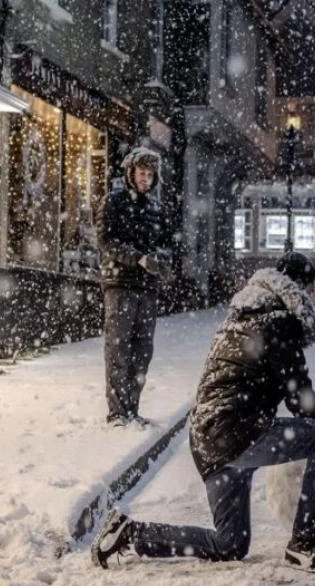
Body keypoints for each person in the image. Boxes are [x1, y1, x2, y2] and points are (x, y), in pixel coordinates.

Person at [92, 252, 315, 574]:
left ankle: (131, 534)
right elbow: (299, 395)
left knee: (230, 545)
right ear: (296, 288)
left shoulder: (239, 319)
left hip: (207, 439)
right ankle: (303, 545)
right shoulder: (277, 322)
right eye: (309, 292)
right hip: (237, 433)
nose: (311, 300)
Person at [96, 147, 176, 426]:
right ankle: (118, 411)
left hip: (147, 288)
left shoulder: (157, 209)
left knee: (143, 351)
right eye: (142, 173)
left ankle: (132, 408)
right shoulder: (113, 202)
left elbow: (168, 244)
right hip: (120, 284)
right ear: (131, 173)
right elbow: (106, 241)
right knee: (118, 349)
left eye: (150, 174)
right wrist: (138, 259)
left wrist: (161, 261)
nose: (146, 179)